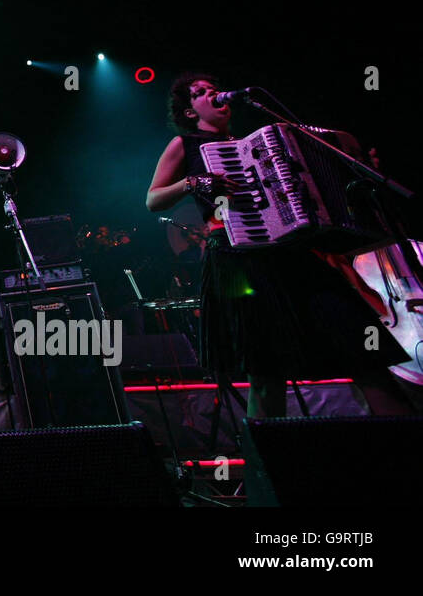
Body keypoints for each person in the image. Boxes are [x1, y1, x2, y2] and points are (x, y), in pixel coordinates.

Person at [146, 73, 410, 417]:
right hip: (238, 258)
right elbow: (154, 200)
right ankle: (267, 464)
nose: (214, 93)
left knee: (364, 351)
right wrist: (194, 182)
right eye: (201, 93)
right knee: (266, 373)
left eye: (215, 88)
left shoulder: (257, 144)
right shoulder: (185, 145)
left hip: (291, 254)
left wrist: (354, 171)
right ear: (190, 112)